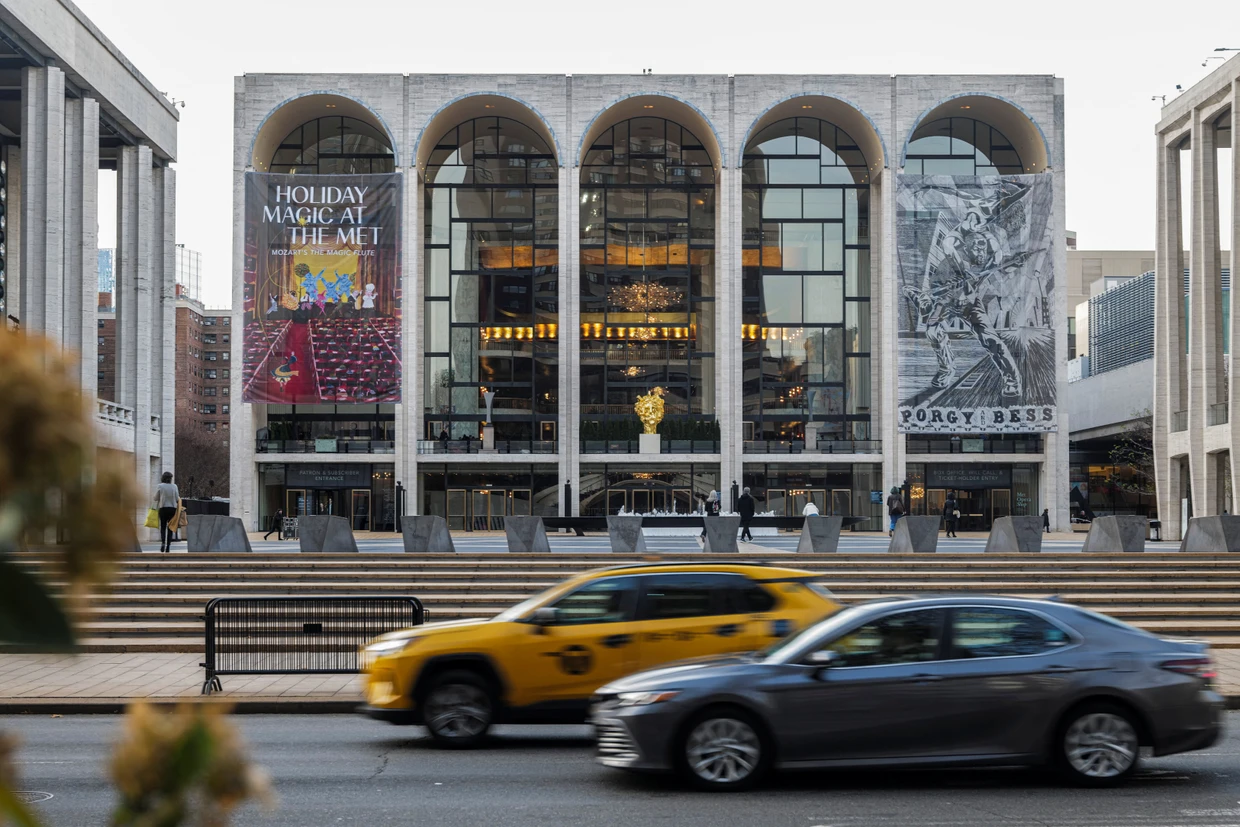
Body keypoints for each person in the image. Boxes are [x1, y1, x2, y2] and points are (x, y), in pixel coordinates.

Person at [151, 472, 180, 553]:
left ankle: (163, 543)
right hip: (172, 509)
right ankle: (168, 546)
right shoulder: (174, 486)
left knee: (163, 527)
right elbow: (177, 498)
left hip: (163, 508)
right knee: (170, 528)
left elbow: (155, 498)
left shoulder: (160, 486)